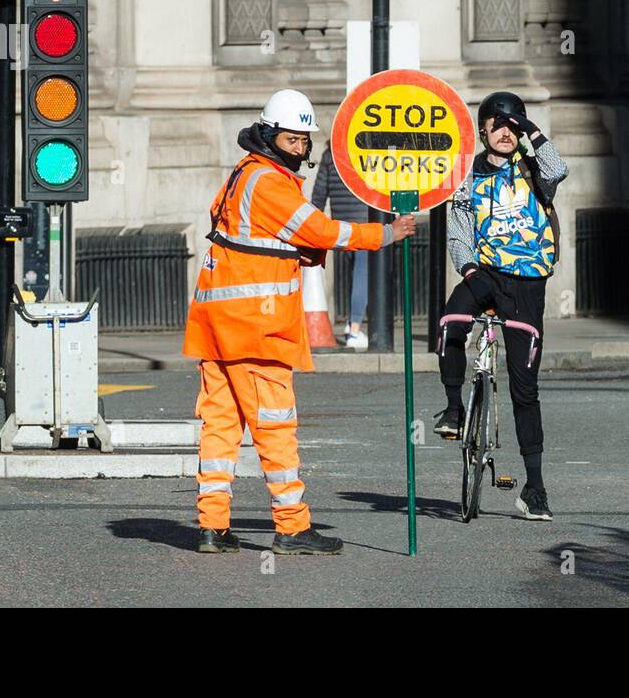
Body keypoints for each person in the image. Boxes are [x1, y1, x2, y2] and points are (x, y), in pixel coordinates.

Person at [182, 89, 416, 554]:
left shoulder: (244, 174)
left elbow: (252, 235)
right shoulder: (268, 182)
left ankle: (212, 525)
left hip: (217, 323)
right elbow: (322, 230)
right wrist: (386, 233)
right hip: (254, 327)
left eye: (305, 140)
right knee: (275, 425)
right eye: (294, 140)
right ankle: (291, 527)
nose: (302, 148)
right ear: (270, 136)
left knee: (221, 426)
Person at [432, 91, 568, 521]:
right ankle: (454, 409)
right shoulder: (466, 177)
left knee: (525, 390)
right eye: (498, 124)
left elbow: (559, 167)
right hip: (484, 273)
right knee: (452, 320)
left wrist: (529, 128)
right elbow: (457, 234)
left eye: (514, 125)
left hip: (528, 284)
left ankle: (536, 490)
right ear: (483, 130)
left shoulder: (532, 169)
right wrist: (468, 270)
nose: (507, 132)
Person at [310, 146, 371, 349]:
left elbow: (319, 192)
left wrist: (313, 221)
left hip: (341, 225)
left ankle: (351, 325)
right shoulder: (367, 149)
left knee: (355, 276)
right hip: (365, 223)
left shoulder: (331, 153)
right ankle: (354, 330)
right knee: (363, 277)